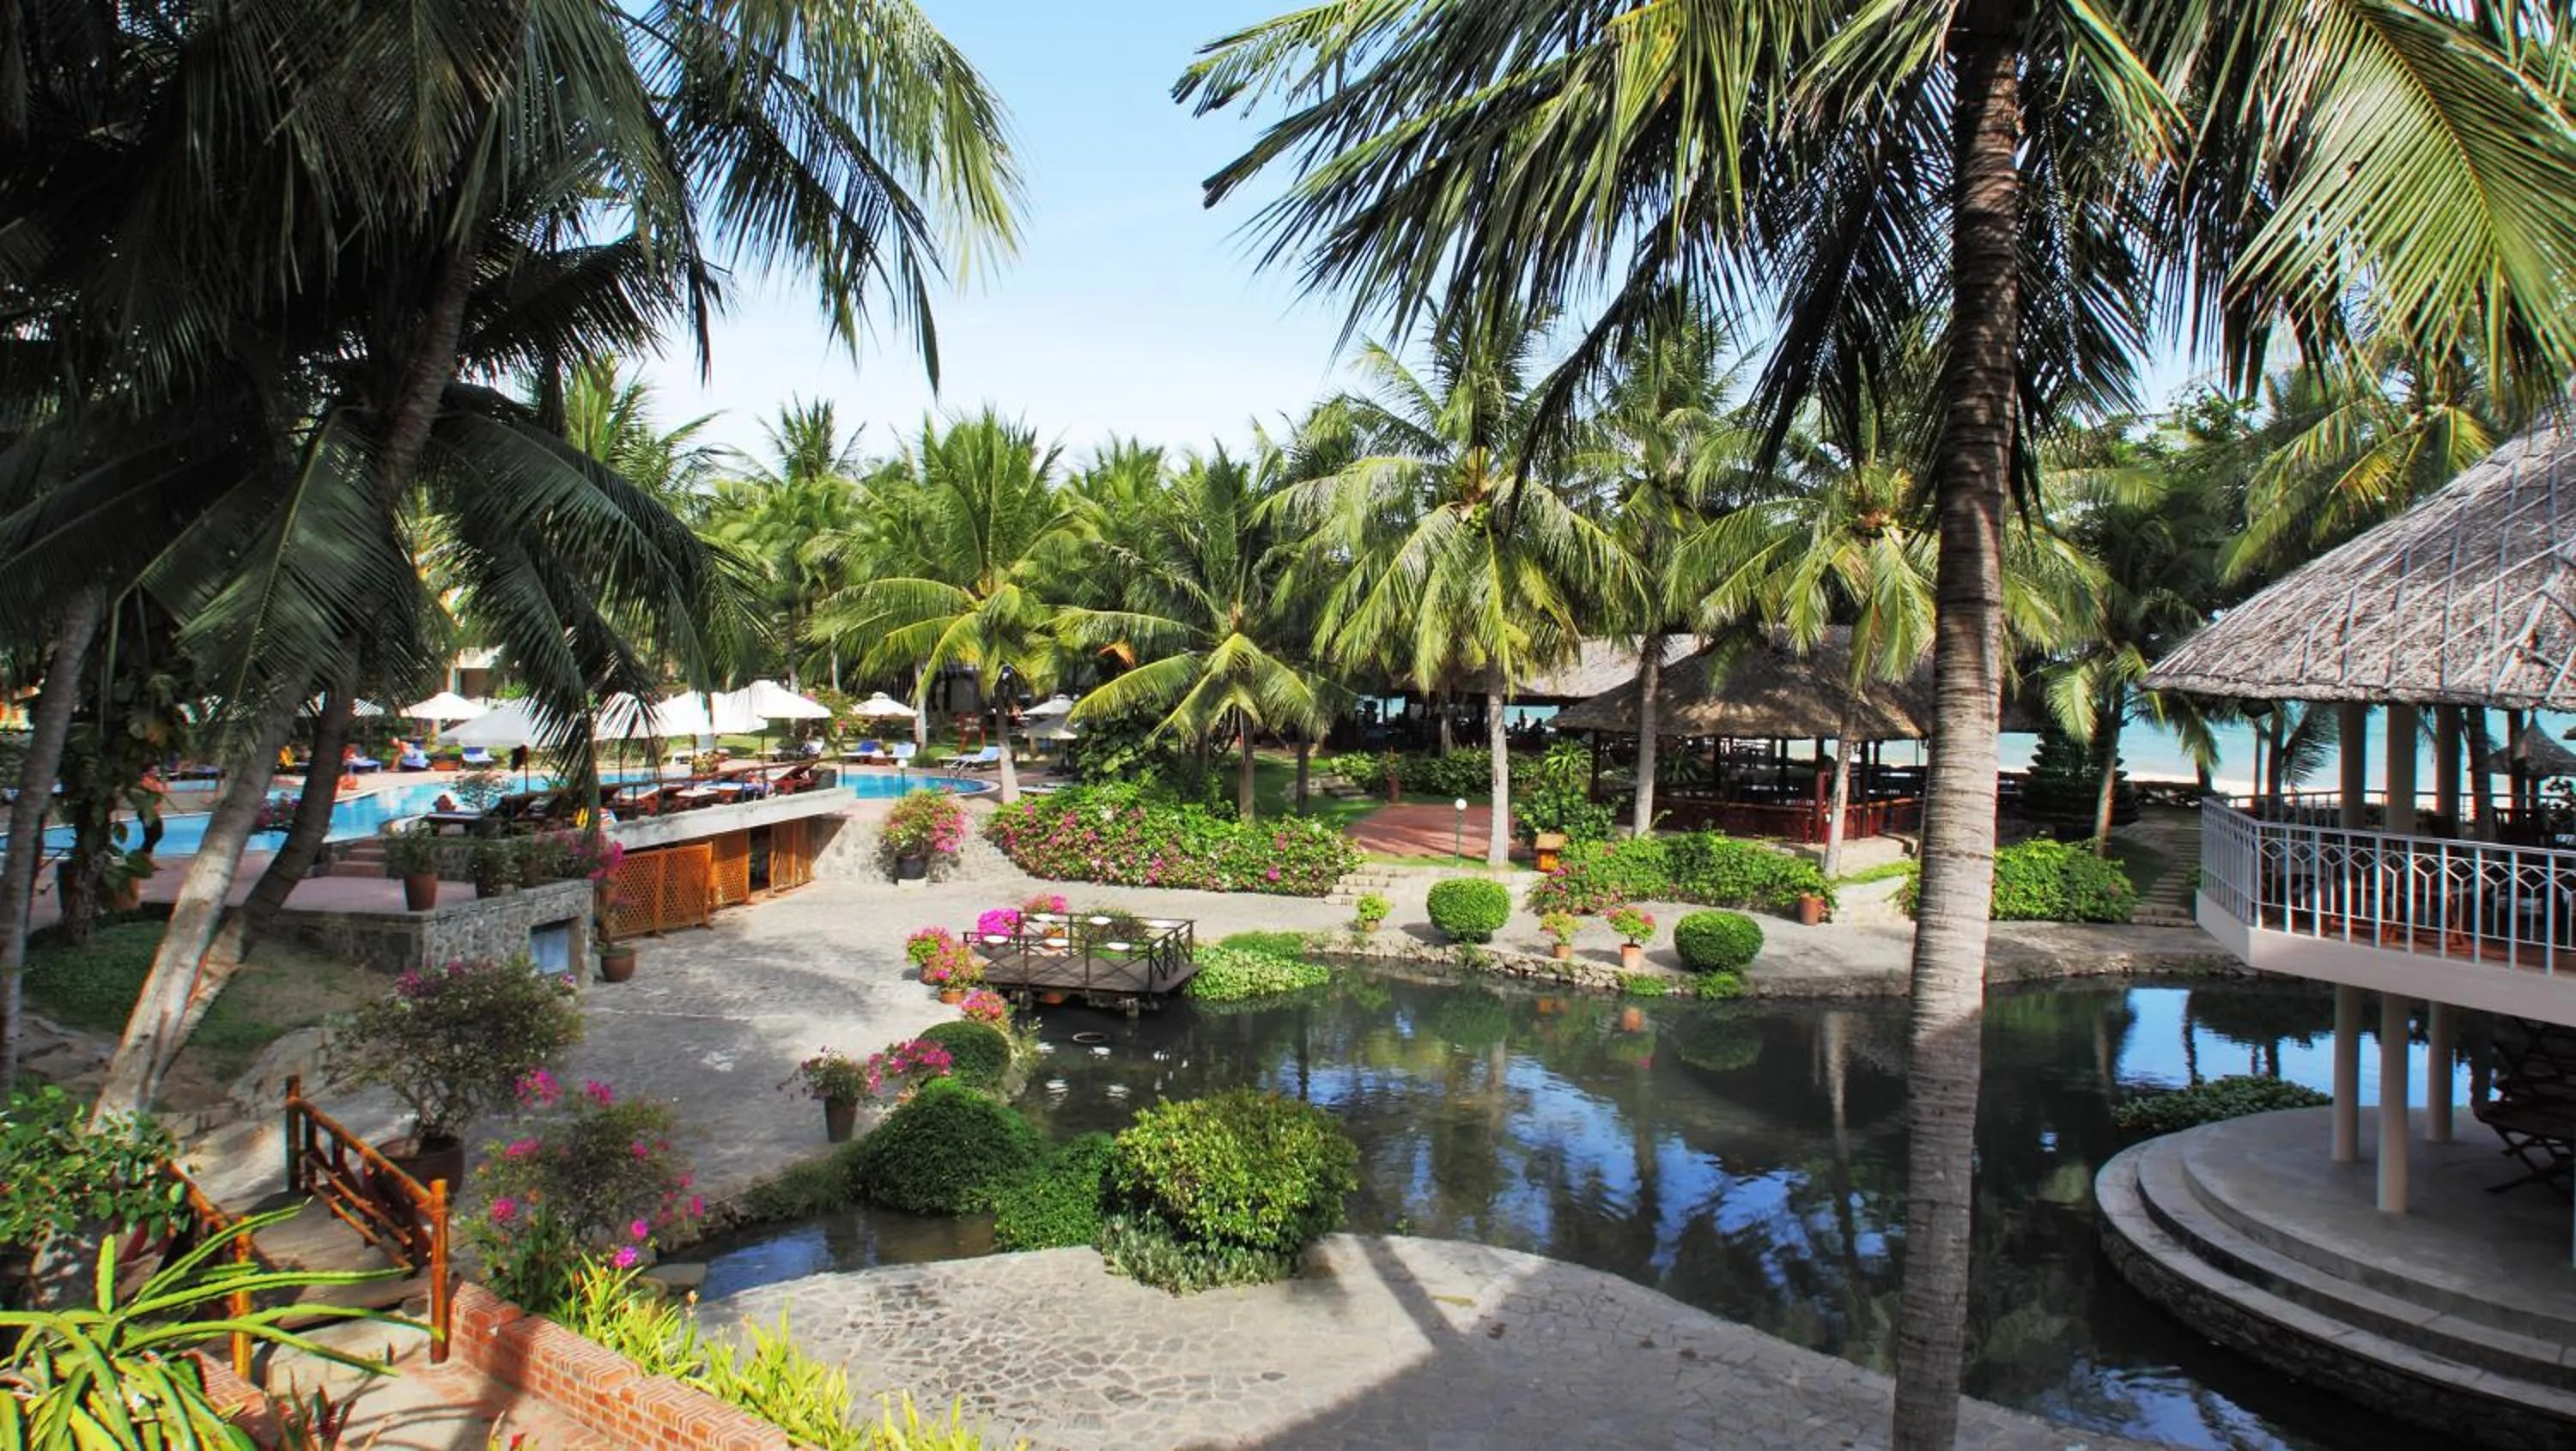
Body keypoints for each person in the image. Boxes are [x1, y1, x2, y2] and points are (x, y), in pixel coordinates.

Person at [133, 763, 167, 856]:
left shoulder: (156, 781)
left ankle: (145, 857)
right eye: (153, 770)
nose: (156, 772)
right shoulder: (144, 782)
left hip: (154, 811)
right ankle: (144, 856)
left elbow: (163, 793)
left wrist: (164, 783)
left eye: (157, 770)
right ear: (147, 771)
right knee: (153, 835)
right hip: (146, 812)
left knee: (155, 834)